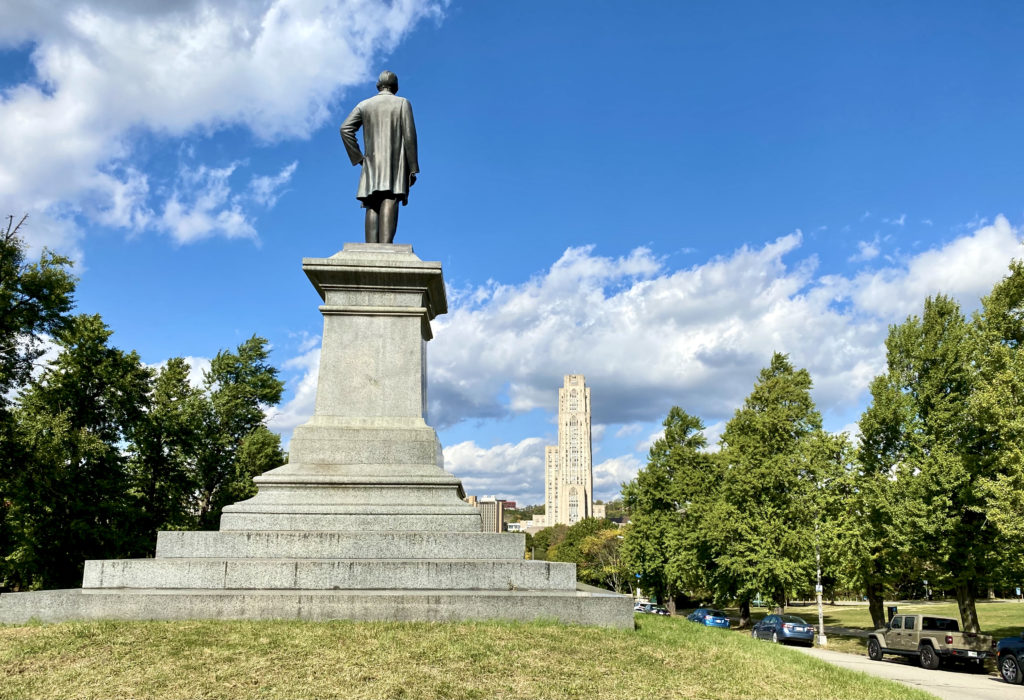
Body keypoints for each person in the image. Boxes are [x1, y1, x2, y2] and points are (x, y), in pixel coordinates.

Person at [340, 70, 419, 244]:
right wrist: (412, 168)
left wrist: (359, 158)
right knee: (390, 197)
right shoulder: (402, 103)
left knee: (372, 203)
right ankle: (385, 247)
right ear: (395, 87)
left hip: (371, 162)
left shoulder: (364, 104)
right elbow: (409, 137)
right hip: (395, 162)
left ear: (378, 85)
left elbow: (345, 129)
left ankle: (371, 248)